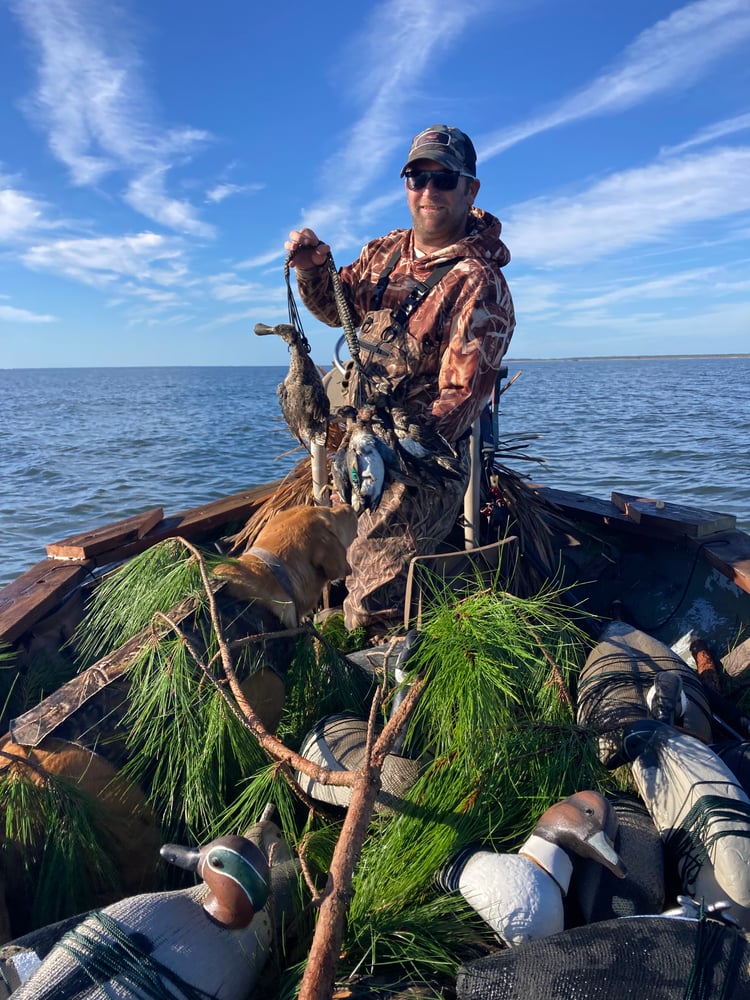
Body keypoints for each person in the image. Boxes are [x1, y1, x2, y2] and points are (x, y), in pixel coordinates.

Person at [286, 124, 515, 638]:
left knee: (373, 596)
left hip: (427, 456)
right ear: (405, 184)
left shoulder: (481, 285)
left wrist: (389, 453)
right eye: (417, 177)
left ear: (470, 189)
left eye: (444, 179)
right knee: (323, 551)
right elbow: (333, 309)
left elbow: (458, 401)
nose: (429, 191)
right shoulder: (384, 252)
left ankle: (385, 674)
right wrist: (313, 269)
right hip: (363, 439)